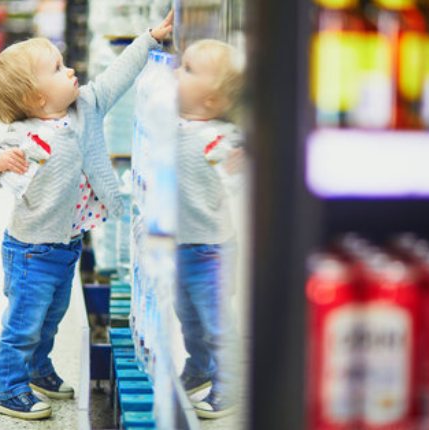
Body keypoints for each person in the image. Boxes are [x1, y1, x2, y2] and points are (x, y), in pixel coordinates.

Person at [0, 11, 174, 420]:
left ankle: (38, 369)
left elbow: (118, 75)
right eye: (57, 68)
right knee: (23, 325)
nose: (70, 72)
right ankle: (10, 389)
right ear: (35, 98)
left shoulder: (86, 107)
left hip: (66, 245)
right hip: (30, 251)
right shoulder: (22, 135)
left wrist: (150, 39)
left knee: (51, 318)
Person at [174, 39, 245, 419]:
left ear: (213, 101)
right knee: (187, 315)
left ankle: (229, 384)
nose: (174, 74)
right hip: (180, 244)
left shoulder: (219, 139)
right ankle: (199, 367)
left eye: (186, 70)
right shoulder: (174, 122)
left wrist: (240, 159)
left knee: (216, 321)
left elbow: (238, 169)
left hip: (210, 250)